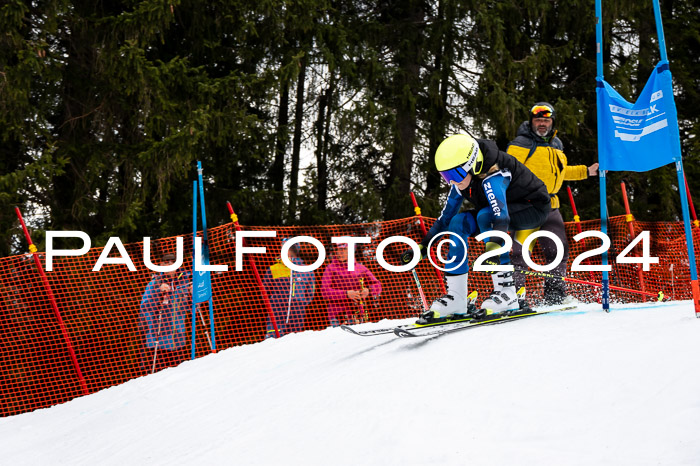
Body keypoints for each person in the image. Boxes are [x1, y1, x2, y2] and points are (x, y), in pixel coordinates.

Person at [401, 133, 551, 323]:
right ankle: (457, 297)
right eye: (446, 176)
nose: (451, 181)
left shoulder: (494, 174)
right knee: (457, 222)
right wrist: (423, 246)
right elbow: (445, 218)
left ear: (472, 164)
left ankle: (507, 292)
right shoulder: (461, 181)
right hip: (499, 211)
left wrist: (493, 252)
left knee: (485, 216)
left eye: (454, 174)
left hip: (533, 207)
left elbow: (500, 215)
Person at [506, 102, 599, 305]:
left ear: (552, 122)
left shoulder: (556, 145)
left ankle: (555, 295)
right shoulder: (520, 144)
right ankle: (513, 296)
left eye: (546, 120)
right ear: (531, 122)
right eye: (538, 120)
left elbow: (562, 172)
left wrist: (587, 171)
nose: (542, 123)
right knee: (521, 252)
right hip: (526, 207)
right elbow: (507, 169)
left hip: (551, 206)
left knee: (558, 250)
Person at [139, 252, 191, 374]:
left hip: (178, 339)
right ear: (161, 265)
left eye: (173, 262)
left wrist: (192, 295)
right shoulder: (154, 283)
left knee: (179, 376)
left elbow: (192, 308)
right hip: (158, 340)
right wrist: (158, 292)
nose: (170, 265)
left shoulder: (185, 283)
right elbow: (145, 308)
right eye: (166, 263)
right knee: (158, 377)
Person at [262, 238, 315, 338]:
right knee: (271, 342)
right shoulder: (273, 269)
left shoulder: (307, 270)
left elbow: (310, 294)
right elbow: (265, 292)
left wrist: (300, 303)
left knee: (293, 343)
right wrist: (275, 302)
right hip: (276, 313)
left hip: (297, 315)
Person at [322, 243, 382, 327]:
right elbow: (325, 292)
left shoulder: (361, 268)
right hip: (338, 315)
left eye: (343, 250)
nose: (340, 253)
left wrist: (368, 290)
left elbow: (377, 285)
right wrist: (346, 294)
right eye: (338, 250)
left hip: (358, 314)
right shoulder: (330, 269)